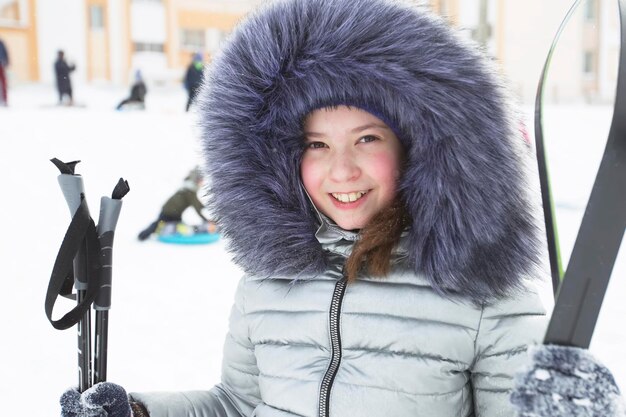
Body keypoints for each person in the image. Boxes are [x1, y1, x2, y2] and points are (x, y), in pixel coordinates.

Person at [60, 0, 625, 416]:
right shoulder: (268, 280)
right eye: (316, 144)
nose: (342, 171)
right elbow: (237, 403)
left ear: (416, 146)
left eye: (368, 139)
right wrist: (136, 411)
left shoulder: (481, 288)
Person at [137, 167, 215, 241]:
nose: (202, 182)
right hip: (169, 212)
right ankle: (142, 236)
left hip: (175, 214)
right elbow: (197, 207)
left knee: (176, 227)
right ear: (196, 180)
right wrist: (206, 220)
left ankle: (157, 233)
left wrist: (206, 207)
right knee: (158, 225)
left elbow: (197, 203)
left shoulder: (188, 189)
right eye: (201, 180)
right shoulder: (190, 191)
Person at [0, 37, 8, 106]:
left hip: (1, 64)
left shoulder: (1, 43)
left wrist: (6, 62)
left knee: (3, 83)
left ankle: (4, 100)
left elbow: (5, 52)